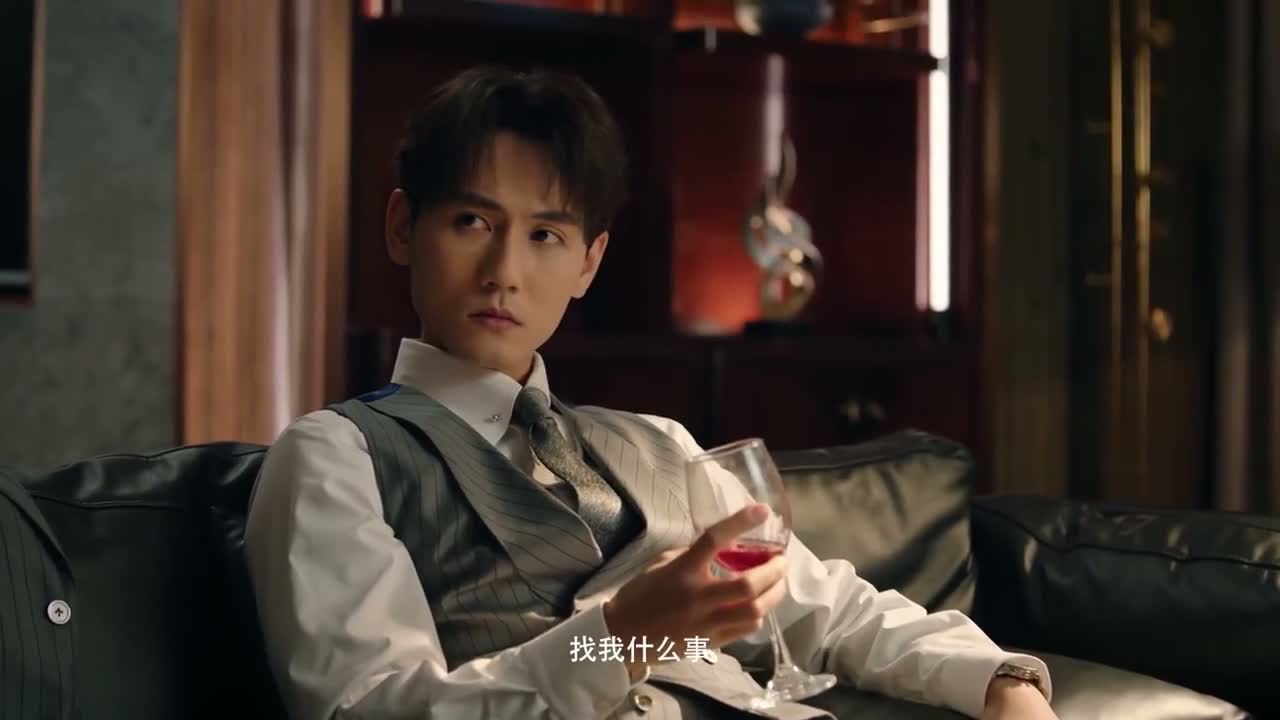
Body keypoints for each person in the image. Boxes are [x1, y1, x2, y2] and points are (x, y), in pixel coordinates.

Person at [244, 66, 1057, 720]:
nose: (504, 272)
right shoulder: (336, 457)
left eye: (545, 235)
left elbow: (828, 608)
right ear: (402, 227)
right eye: (472, 223)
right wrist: (622, 635)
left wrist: (1002, 681)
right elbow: (371, 707)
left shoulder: (658, 443)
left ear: (588, 263)